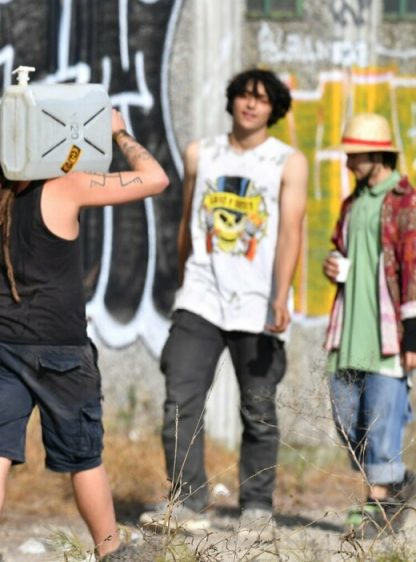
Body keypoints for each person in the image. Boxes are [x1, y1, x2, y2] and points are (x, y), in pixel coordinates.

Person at [0, 108, 169, 561]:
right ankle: (110, 551)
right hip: (60, 348)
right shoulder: (65, 186)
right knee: (83, 457)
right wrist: (119, 133)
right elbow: (155, 178)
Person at [139, 68, 307, 539]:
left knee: (258, 409)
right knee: (180, 400)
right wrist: (184, 281)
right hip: (201, 298)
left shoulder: (287, 161)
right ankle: (188, 499)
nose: (251, 105)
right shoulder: (202, 153)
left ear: (274, 109)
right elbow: (187, 220)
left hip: (258, 303)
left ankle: (256, 505)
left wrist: (281, 294)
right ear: (231, 101)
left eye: (262, 99)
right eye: (244, 96)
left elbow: (291, 231)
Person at [322, 113, 416, 538]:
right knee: (347, 422)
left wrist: (413, 335)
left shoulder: (404, 202)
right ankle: (396, 482)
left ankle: (379, 505)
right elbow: (342, 250)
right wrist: (333, 265)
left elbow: (413, 268)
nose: (348, 163)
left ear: (376, 155)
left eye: (354, 156)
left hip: (387, 334)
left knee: (380, 422)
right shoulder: (353, 202)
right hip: (348, 330)